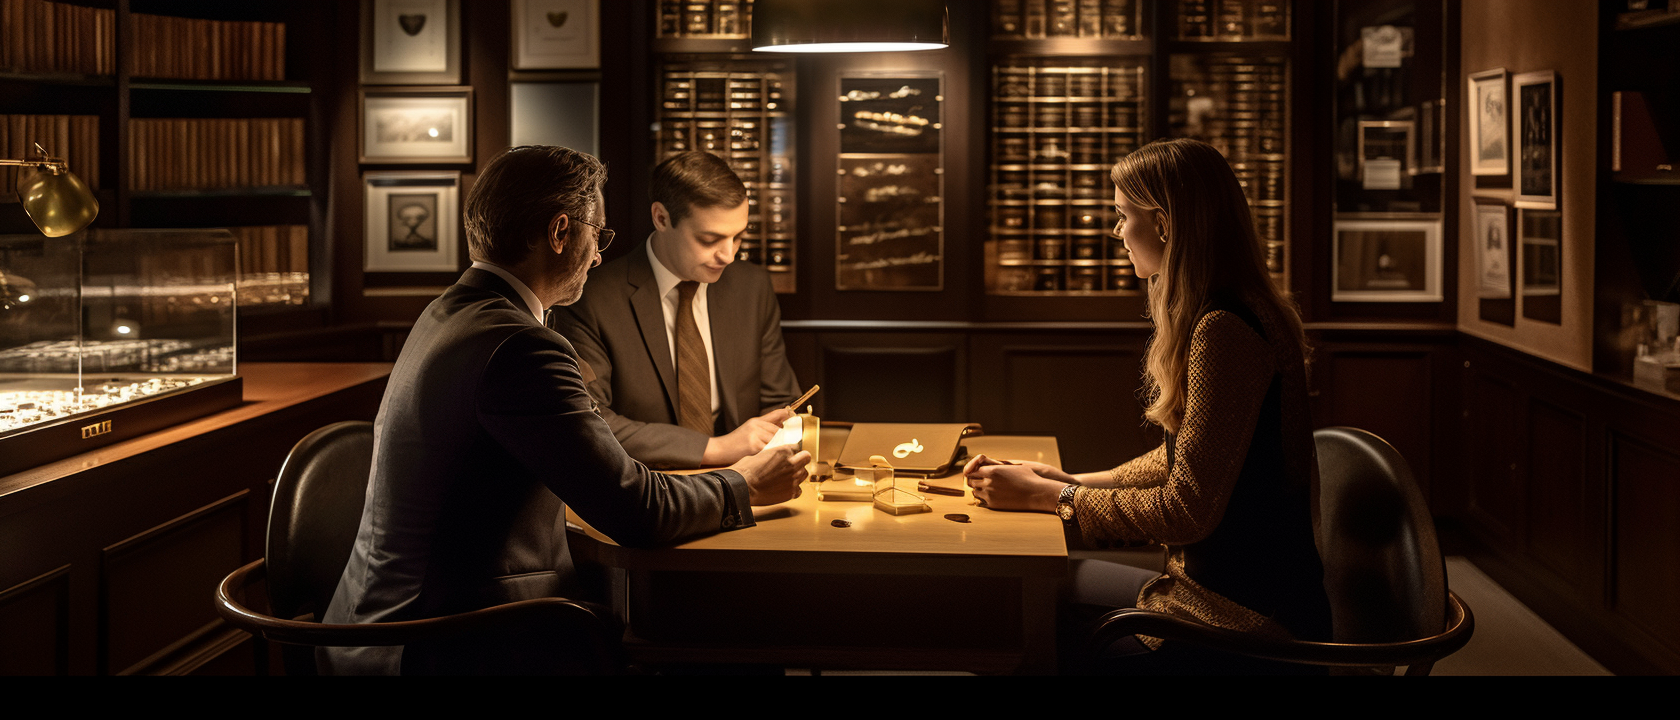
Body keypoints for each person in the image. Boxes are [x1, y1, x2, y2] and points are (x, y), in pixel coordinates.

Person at [319, 146, 810, 675]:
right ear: (560, 232)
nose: (598, 255)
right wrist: (745, 485)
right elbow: (637, 509)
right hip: (442, 641)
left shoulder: (447, 312)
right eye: (596, 234)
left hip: (376, 623)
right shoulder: (521, 346)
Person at [963, 138, 1332, 674]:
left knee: (1017, 621)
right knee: (1034, 593)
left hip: (1242, 623)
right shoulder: (1236, 307)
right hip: (1221, 593)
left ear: (1163, 223)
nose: (1116, 232)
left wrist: (1056, 498)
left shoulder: (1223, 330)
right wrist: (1074, 479)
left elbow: (1186, 509)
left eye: (1122, 216)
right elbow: (1191, 459)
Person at [552, 151, 801, 469]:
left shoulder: (752, 287)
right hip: (645, 484)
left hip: (746, 475)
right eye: (710, 239)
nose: (728, 255)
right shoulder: (593, 298)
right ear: (661, 218)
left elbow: (780, 400)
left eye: (738, 237)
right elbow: (592, 419)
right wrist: (714, 448)